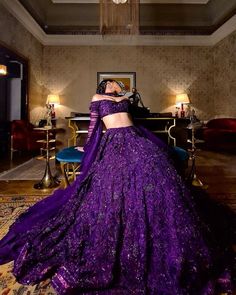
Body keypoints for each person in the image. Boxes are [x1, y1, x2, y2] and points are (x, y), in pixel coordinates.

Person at [0, 79, 235, 295]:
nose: (114, 84)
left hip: (136, 139)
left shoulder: (124, 100)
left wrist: (130, 98)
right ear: (103, 87)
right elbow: (94, 127)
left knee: (159, 168)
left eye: (116, 82)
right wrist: (88, 146)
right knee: (113, 180)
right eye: (110, 82)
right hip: (113, 142)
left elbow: (135, 116)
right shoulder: (97, 99)